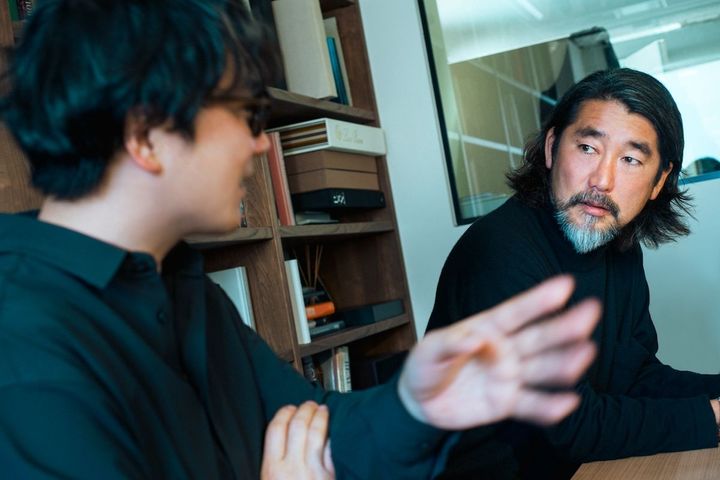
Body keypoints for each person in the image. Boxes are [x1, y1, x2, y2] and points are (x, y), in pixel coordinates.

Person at [0, 1, 601, 478]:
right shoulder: (25, 351)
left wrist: (418, 402)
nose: (260, 143)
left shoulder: (182, 287)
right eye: (245, 114)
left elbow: (314, 426)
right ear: (145, 133)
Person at [428, 67, 720, 480]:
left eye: (630, 159)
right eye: (587, 148)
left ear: (659, 181)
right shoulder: (499, 252)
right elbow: (571, 425)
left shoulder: (617, 245)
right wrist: (713, 417)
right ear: (551, 149)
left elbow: (635, 375)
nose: (602, 180)